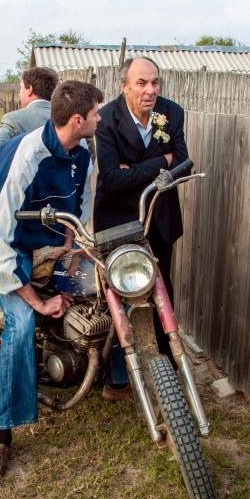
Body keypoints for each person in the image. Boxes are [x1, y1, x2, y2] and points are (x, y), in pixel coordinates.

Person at [0, 80, 104, 489]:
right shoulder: (25, 156)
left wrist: (71, 249)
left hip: (51, 251)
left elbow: (77, 208)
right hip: (11, 252)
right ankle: (1, 438)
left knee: (109, 287)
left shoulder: (81, 153)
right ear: (78, 119)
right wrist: (36, 300)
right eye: (97, 114)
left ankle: (113, 377)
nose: (101, 119)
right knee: (21, 325)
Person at [93, 57, 189, 400]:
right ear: (125, 86)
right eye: (141, 83)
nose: (150, 90)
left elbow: (182, 163)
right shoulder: (105, 119)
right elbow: (112, 179)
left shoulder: (172, 113)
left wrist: (136, 167)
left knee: (163, 292)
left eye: (155, 83)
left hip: (160, 218)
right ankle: (118, 378)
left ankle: (170, 374)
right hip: (117, 221)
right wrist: (159, 163)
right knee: (117, 294)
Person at [0, 67, 58, 160]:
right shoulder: (67, 118)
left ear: (30, 89)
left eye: (21, 88)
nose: (19, 94)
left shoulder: (14, 119)